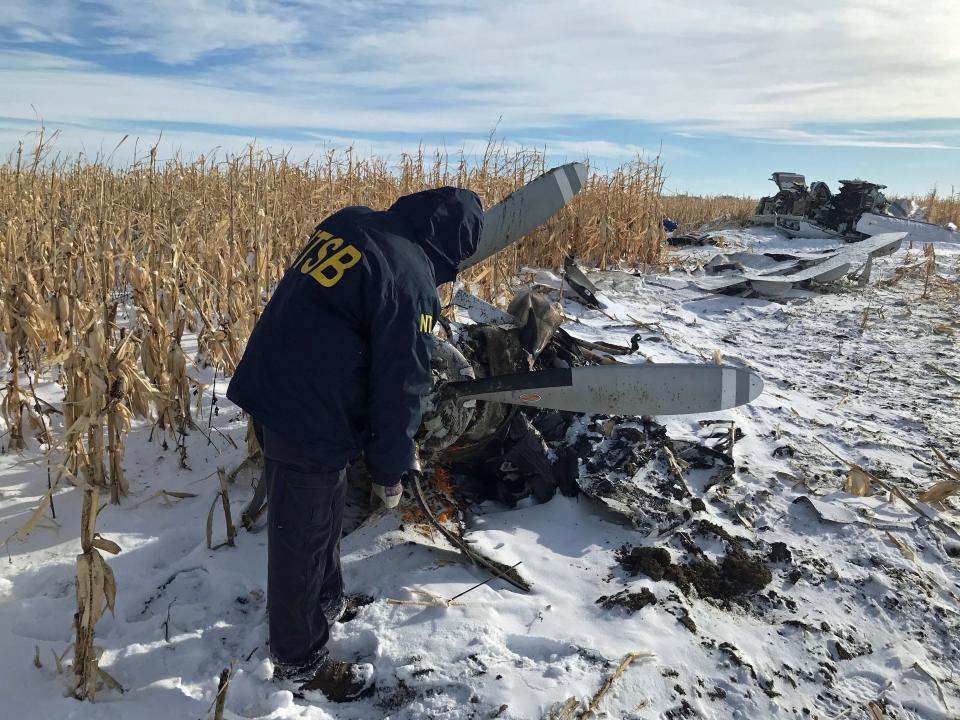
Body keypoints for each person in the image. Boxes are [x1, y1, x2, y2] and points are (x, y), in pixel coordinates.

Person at [227, 187, 483, 701]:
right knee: (300, 538)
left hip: (274, 386)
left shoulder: (353, 222)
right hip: (308, 413)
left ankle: (326, 602)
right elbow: (401, 386)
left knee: (318, 515)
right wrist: (391, 472)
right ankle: (301, 662)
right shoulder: (411, 279)